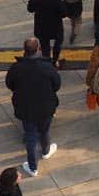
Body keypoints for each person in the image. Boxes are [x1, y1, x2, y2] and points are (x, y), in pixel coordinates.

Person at [4, 37, 61, 177]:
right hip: (46, 107)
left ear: (25, 51)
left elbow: (9, 84)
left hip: (25, 108)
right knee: (44, 130)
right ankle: (46, 151)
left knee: (30, 136)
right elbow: (57, 85)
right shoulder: (48, 67)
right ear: (39, 50)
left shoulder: (16, 68)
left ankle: (32, 167)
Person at [27, 0, 66, 67]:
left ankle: (47, 62)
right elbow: (64, 13)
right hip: (56, 26)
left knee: (45, 47)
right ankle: (55, 60)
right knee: (58, 44)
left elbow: (30, 9)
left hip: (41, 26)